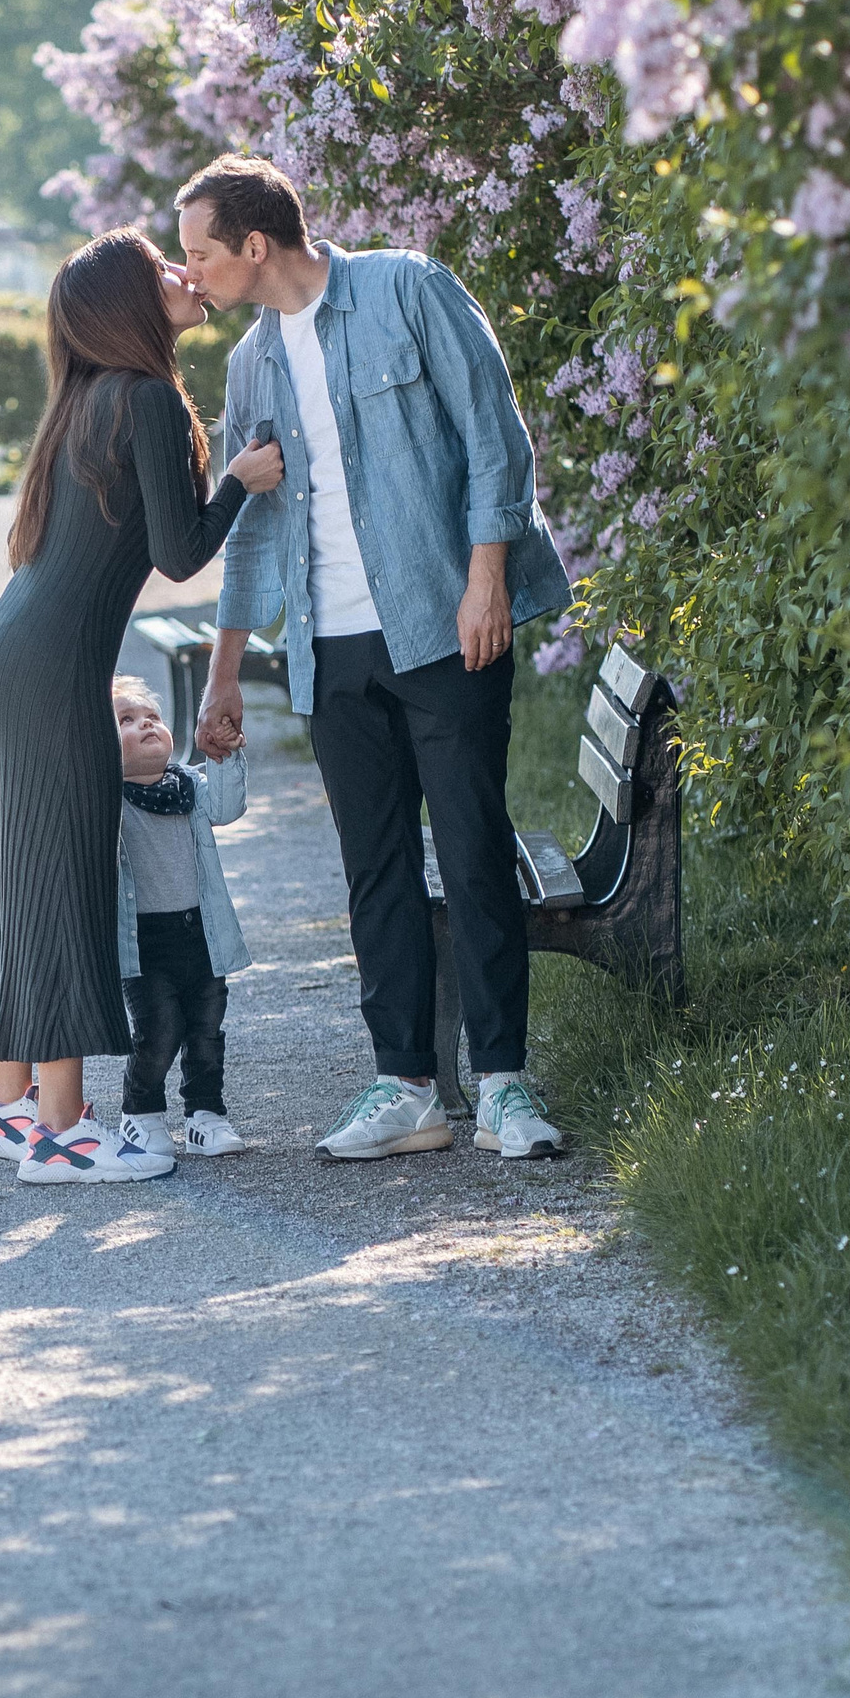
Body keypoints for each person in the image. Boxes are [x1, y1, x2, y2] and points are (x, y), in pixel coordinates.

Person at [176, 154, 573, 1164]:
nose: (191, 275)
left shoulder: (407, 288)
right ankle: (407, 1086)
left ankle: (503, 1084)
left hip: (444, 624)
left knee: (473, 851)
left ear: (253, 245)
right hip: (330, 648)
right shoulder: (252, 366)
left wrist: (486, 579)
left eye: (200, 255)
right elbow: (255, 534)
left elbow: (496, 437)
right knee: (376, 870)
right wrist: (224, 674)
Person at [0, 228, 285, 1186]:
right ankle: (60, 1131)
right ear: (126, 305)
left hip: (10, 653)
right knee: (65, 880)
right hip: (51, 667)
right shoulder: (144, 397)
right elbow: (181, 553)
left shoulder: (87, 399)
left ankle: (5, 1101)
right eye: (160, 269)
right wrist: (239, 483)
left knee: (25, 876)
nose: (184, 275)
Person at [110, 675, 253, 1158]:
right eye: (126, 720)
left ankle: (206, 1115)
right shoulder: (108, 801)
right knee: (159, 1031)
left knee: (206, 1032)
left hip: (201, 933)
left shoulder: (189, 785)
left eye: (151, 715)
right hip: (145, 943)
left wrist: (223, 756)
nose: (145, 724)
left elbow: (228, 806)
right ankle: (141, 1113)